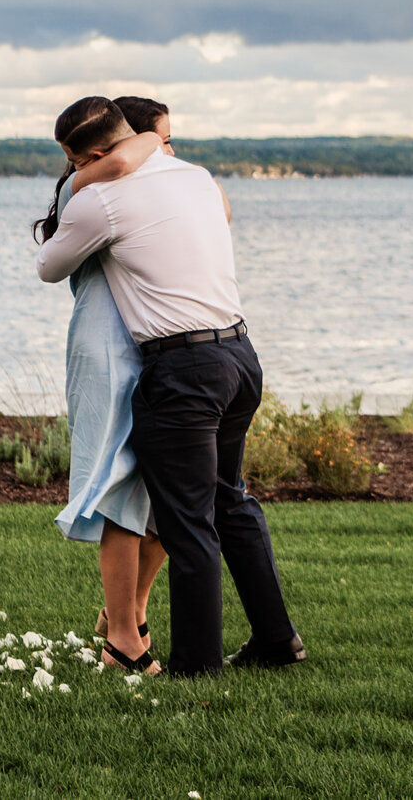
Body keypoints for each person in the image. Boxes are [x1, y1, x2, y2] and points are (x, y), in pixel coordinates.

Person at [36, 96, 304, 677]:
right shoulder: (196, 178)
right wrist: (144, 150)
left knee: (185, 519)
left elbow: (49, 266)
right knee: (229, 501)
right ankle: (277, 639)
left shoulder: (101, 199)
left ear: (92, 155)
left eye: (75, 160)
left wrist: (90, 177)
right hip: (239, 355)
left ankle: (197, 663)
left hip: (182, 368)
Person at [34, 97, 169, 676]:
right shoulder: (84, 188)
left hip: (156, 343)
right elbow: (119, 162)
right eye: (163, 139)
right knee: (118, 487)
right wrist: (152, 143)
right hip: (106, 349)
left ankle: (129, 612)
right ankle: (124, 636)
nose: (168, 150)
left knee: (165, 490)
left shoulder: (136, 178)